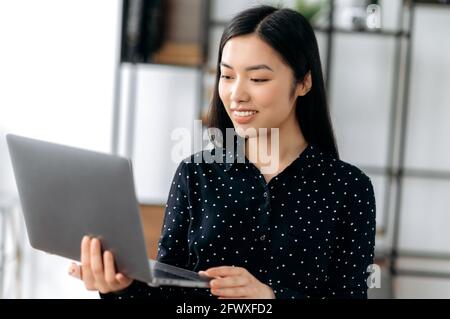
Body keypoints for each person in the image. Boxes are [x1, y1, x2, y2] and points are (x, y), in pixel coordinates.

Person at [68, 5, 376, 299]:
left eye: (258, 79)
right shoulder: (195, 174)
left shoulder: (349, 189)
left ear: (304, 82)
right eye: (227, 76)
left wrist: (270, 296)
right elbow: (169, 291)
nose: (236, 94)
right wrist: (118, 286)